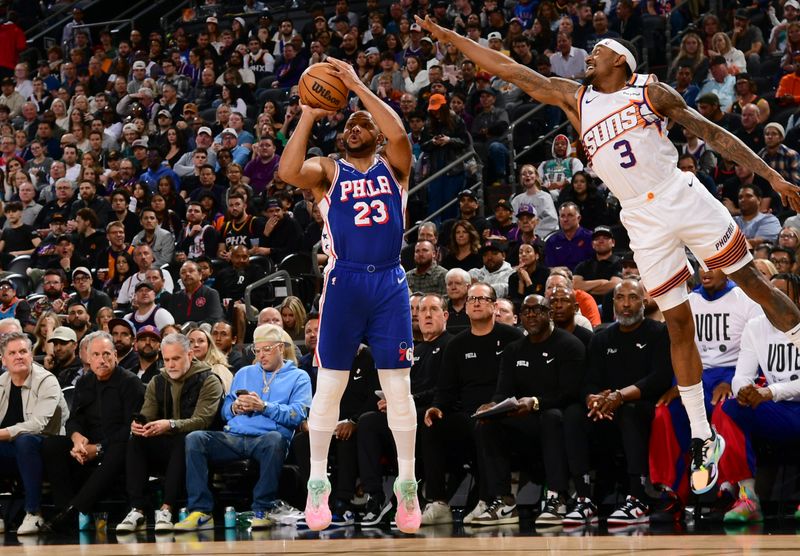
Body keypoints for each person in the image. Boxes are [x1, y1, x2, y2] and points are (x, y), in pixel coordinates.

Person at [419, 16, 800, 495]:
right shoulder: (576, 98)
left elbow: (715, 134)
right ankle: (704, 436)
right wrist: (452, 39)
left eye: (596, 49)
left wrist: (773, 177)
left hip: (680, 195)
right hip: (639, 218)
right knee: (678, 322)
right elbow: (513, 70)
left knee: (756, 287)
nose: (588, 55)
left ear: (620, 59)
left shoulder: (650, 92)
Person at [276, 57, 422, 532]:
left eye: (364, 123)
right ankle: (317, 483)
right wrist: (309, 114)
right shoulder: (327, 170)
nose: (356, 127)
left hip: (389, 282)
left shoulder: (394, 166)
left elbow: (399, 134)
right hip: (344, 282)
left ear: (375, 134)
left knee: (398, 388)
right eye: (350, 123)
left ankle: (406, 484)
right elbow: (287, 170)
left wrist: (358, 88)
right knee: (331, 386)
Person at [648, 269, 762, 522]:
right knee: (664, 412)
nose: (705, 272)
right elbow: (680, 347)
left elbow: (756, 349)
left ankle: (736, 489)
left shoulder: (746, 300)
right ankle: (672, 493)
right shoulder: (688, 302)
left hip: (735, 374)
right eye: (700, 265)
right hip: (694, 375)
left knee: (726, 410)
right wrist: (680, 383)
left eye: (712, 266)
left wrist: (733, 381)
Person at [173, 324, 311, 532]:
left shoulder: (299, 377)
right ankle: (200, 511)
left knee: (275, 439)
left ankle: (262, 509)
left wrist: (263, 407)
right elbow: (225, 410)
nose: (261, 355)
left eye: (267, 349)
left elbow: (298, 414)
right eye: (257, 350)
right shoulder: (245, 372)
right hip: (235, 436)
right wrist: (235, 408)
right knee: (195, 438)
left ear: (281, 348)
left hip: (267, 439)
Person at [472, 294, 585, 526]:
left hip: (557, 416)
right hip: (523, 419)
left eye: (538, 310)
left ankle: (557, 497)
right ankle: (504, 501)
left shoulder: (568, 345)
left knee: (551, 418)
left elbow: (571, 392)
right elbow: (503, 390)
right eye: (526, 311)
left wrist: (534, 402)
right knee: (486, 425)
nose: (531, 315)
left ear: (550, 314)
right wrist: (493, 405)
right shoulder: (514, 349)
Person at [422, 283, 524, 525]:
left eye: (482, 298)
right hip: (468, 414)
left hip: (506, 412)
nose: (476, 303)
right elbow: (446, 388)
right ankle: (438, 502)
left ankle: (489, 500)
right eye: (471, 299)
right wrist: (437, 406)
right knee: (431, 424)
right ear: (465, 308)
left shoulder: (512, 337)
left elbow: (522, 381)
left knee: (485, 425)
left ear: (494, 305)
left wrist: (497, 404)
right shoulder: (456, 344)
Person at [712, 273, 800, 524]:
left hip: (788, 403)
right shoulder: (755, 326)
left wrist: (770, 392)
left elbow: (772, 390)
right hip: (778, 411)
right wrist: (744, 391)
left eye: (781, 292)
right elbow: (742, 375)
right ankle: (747, 496)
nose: (772, 297)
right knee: (727, 409)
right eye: (769, 291)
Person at [115, 333, 223, 534]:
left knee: (185, 439)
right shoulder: (158, 381)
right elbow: (147, 414)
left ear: (190, 355)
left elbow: (202, 421)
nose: (171, 365)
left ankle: (166, 509)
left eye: (176, 359)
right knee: (135, 440)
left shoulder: (209, 380)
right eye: (166, 360)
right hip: (166, 443)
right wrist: (139, 426)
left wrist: (171, 425)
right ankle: (137, 509)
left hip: (199, 446)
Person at [42, 331, 145, 532]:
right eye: (96, 355)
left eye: (106, 354)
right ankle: (63, 506)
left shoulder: (130, 383)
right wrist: (77, 439)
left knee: (123, 445)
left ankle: (74, 510)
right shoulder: (84, 382)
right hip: (88, 445)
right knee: (51, 445)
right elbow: (74, 420)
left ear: (115, 355)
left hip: (119, 446)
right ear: (88, 358)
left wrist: (97, 449)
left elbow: (131, 428)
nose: (102, 360)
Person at [0, 332, 69, 536]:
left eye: (23, 351)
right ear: (3, 360)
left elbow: (38, 425)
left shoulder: (47, 380)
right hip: (12, 445)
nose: (18, 356)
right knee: (20, 442)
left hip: (49, 443)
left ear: (31, 355)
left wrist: (2, 433)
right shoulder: (2, 382)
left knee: (25, 441)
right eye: (12, 353)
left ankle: (33, 512)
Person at [573, 226, 623, 304]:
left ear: (613, 242)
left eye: (605, 238)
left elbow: (615, 286)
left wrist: (586, 288)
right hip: (585, 306)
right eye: (597, 239)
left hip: (611, 307)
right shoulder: (583, 265)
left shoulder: (620, 263)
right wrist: (601, 282)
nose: (601, 241)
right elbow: (575, 286)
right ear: (592, 244)